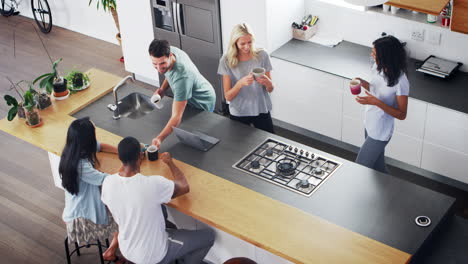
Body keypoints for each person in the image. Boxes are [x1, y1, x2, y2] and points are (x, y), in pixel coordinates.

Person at [101, 136, 215, 264]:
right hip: (153, 255)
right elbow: (184, 186)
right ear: (140, 156)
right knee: (209, 236)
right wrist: (170, 162)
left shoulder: (108, 182)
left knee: (162, 209)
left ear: (120, 157)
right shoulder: (152, 184)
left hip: (126, 248)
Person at [59, 117, 123, 263]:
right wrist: (127, 160)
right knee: (126, 217)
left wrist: (119, 152)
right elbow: (110, 180)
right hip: (82, 218)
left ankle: (113, 248)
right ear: (87, 139)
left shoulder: (72, 151)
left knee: (119, 210)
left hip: (76, 206)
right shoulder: (81, 167)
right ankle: (110, 251)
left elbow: (100, 146)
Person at [354, 35, 409, 173]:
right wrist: (362, 83)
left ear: (386, 56)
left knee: (359, 168)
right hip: (370, 121)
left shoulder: (401, 81)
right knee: (378, 169)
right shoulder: (377, 67)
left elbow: (402, 114)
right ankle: (389, 193)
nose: (371, 55)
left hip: (381, 131)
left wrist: (376, 102)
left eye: (374, 53)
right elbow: (375, 89)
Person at [149, 39, 216, 148]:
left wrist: (159, 138)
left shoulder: (182, 78)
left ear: (170, 56)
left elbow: (176, 117)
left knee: (198, 136)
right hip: (191, 91)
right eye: (154, 64)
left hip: (202, 100)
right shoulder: (172, 51)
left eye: (162, 64)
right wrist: (162, 90)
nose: (159, 69)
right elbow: (170, 74)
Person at [218, 23, 275, 133]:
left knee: (269, 143)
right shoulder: (226, 60)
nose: (247, 47)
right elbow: (228, 97)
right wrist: (240, 83)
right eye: (242, 43)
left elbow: (271, 89)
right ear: (235, 43)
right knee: (239, 148)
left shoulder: (262, 55)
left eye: (250, 42)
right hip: (239, 112)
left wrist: (268, 83)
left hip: (261, 108)